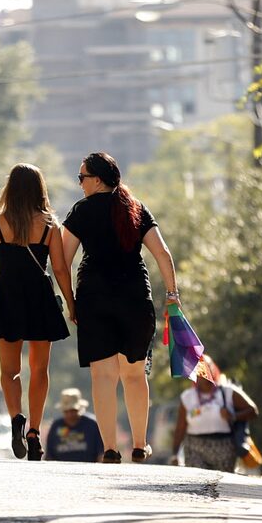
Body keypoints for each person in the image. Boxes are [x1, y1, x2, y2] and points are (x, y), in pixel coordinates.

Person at [61, 152, 179, 464]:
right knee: (135, 373)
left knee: (103, 375)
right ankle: (140, 445)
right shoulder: (135, 208)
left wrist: (69, 302)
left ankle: (111, 449)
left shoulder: (81, 211)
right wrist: (172, 294)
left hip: (94, 298)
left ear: (97, 180)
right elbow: (163, 254)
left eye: (81, 178)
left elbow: (62, 261)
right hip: (134, 297)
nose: (80, 184)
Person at [0, 163, 76, 461]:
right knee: (39, 369)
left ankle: (16, 420)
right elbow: (60, 268)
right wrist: (72, 305)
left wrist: (3, 288)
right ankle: (34, 431)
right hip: (40, 299)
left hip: (8, 300)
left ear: (10, 188)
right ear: (39, 189)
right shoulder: (49, 225)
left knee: (10, 372)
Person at [170, 354, 259, 472]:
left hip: (224, 448)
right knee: (196, 484)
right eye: (200, 369)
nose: (204, 373)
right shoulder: (187, 397)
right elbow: (180, 428)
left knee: (221, 486)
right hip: (195, 449)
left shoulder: (228, 392)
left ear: (213, 369)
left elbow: (252, 410)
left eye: (208, 367)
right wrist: (175, 454)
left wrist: (233, 416)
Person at [45, 388, 104, 462]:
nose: (70, 414)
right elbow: (49, 456)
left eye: (73, 410)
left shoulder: (92, 425)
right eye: (67, 411)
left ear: (79, 409)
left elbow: (101, 453)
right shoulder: (56, 426)